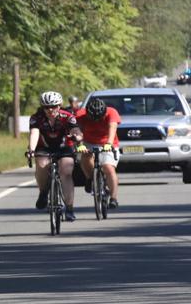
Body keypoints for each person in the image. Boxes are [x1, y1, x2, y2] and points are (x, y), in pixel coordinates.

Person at [27, 91, 83, 221]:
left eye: (53, 106)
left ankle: (69, 208)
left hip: (64, 147)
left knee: (66, 172)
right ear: (42, 107)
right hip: (44, 147)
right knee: (41, 165)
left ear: (59, 105)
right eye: (46, 107)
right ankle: (43, 193)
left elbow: (76, 130)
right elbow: (34, 133)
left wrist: (77, 136)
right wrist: (31, 149)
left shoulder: (68, 116)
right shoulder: (36, 118)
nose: (50, 109)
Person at [76, 95, 121, 209]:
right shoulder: (80, 115)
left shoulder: (112, 112)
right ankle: (90, 178)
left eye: (99, 118)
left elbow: (112, 128)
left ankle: (114, 198)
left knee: (108, 167)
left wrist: (109, 144)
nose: (96, 121)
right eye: (93, 118)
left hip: (107, 142)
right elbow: (77, 132)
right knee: (85, 157)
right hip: (88, 141)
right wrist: (80, 145)